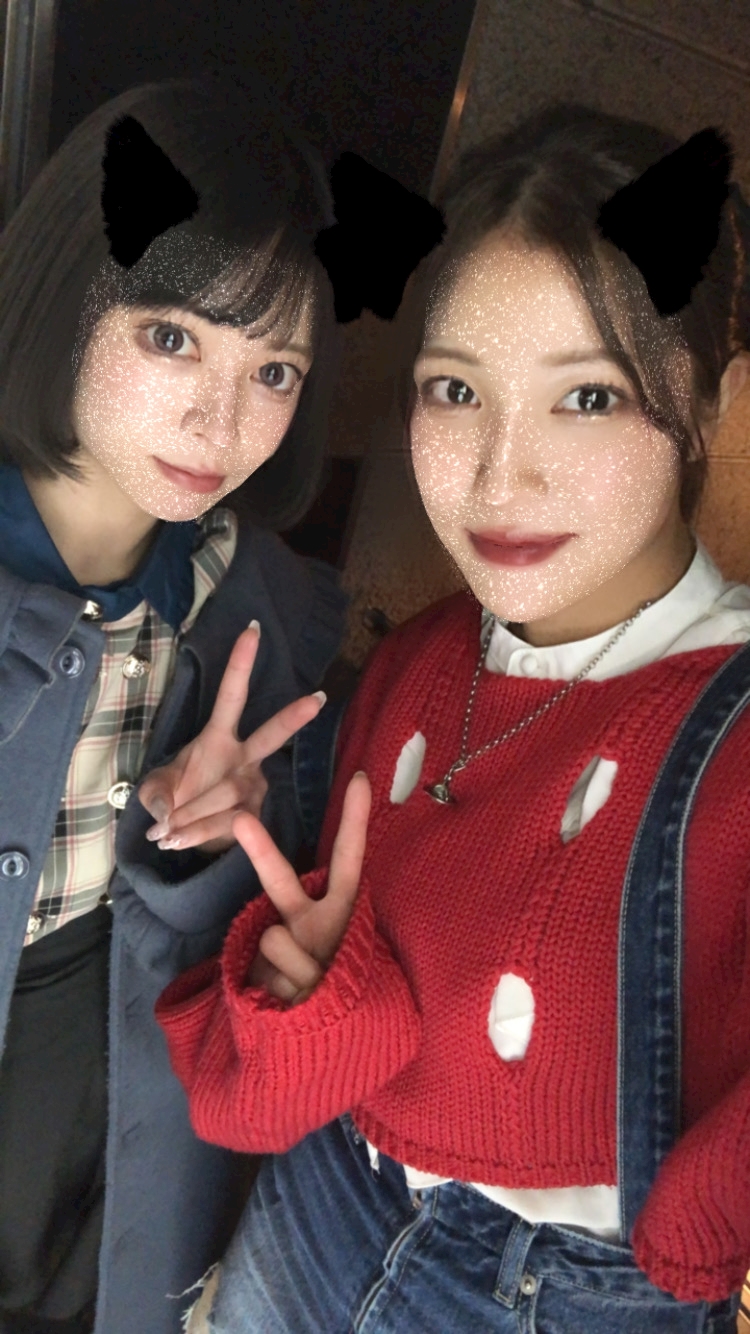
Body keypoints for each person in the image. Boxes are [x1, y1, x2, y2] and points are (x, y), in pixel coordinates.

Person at [156, 104, 750, 1332]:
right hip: (325, 1194)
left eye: (588, 396)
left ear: (707, 396)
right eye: (456, 388)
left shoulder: (733, 725)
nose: (498, 472)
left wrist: (715, 1205)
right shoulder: (421, 659)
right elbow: (313, 1056)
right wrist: (302, 985)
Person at [0, 76, 347, 1334]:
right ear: (68, 289)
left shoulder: (264, 608)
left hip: (118, 1170)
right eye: (171, 337)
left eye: (274, 368)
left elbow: (256, 954)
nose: (220, 419)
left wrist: (214, 845)